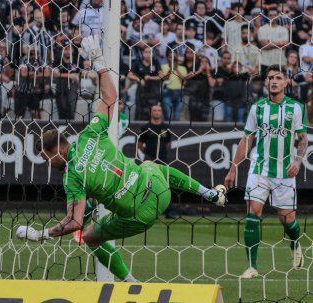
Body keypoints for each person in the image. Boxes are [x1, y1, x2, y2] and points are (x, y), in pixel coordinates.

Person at [16, 35, 227, 281]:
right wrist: (99, 61)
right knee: (149, 165)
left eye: (45, 157)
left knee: (89, 236)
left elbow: (74, 222)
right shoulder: (90, 134)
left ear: (55, 152)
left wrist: (40, 234)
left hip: (141, 215)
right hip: (160, 191)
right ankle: (209, 193)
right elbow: (110, 98)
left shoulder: (73, 177)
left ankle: (130, 283)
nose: (47, 162)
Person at [224, 65, 308, 279]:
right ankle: (252, 267)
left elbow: (302, 138)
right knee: (253, 212)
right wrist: (233, 167)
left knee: (287, 220)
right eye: (270, 77)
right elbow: (247, 139)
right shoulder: (258, 108)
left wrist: (298, 161)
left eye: (278, 77)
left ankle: (295, 244)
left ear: (286, 83)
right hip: (259, 168)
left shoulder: (296, 108)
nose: (273, 81)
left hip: (284, 171)